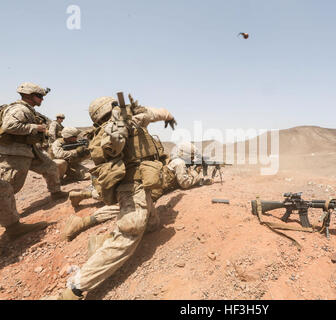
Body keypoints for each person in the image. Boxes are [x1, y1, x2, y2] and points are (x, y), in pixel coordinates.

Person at [52, 95, 176, 300]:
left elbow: (156, 113)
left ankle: (99, 242)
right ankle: (73, 290)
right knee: (130, 233)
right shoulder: (115, 127)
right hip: (131, 186)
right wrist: (162, 116)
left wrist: (166, 116)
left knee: (152, 225)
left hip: (141, 184)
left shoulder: (132, 118)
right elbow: (115, 145)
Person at [63, 142, 212, 241]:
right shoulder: (180, 163)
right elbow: (184, 183)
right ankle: (82, 223)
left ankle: (83, 195)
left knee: (117, 199)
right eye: (192, 156)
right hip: (152, 192)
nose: (193, 159)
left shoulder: (174, 161)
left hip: (148, 187)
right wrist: (197, 174)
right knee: (124, 210)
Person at [0, 82, 68, 240]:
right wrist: (34, 128)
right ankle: (11, 225)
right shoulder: (19, 109)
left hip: (29, 149)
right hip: (14, 153)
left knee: (50, 166)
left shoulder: (28, 110)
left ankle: (56, 193)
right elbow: (9, 126)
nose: (42, 99)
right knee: (9, 187)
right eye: (39, 96)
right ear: (29, 96)